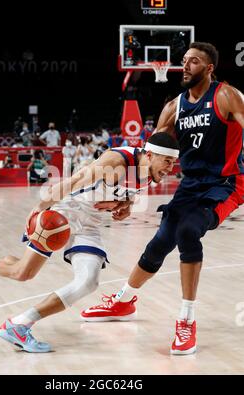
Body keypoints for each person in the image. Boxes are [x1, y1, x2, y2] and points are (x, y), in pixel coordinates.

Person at [81, 42, 244, 356]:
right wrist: (128, 198)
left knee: (187, 231)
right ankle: (124, 301)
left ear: (209, 68)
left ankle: (186, 320)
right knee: (160, 241)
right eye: (184, 61)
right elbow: (151, 161)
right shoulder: (174, 107)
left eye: (194, 62)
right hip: (190, 186)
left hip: (225, 185)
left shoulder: (226, 96)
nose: (185, 66)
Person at [0, 133, 179, 353]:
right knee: (23, 273)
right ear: (149, 155)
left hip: (90, 222)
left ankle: (19, 324)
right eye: (167, 161)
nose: (170, 168)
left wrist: (126, 205)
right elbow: (71, 182)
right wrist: (39, 209)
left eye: (173, 162)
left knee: (88, 281)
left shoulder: (150, 171)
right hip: (64, 213)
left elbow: (130, 190)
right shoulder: (115, 162)